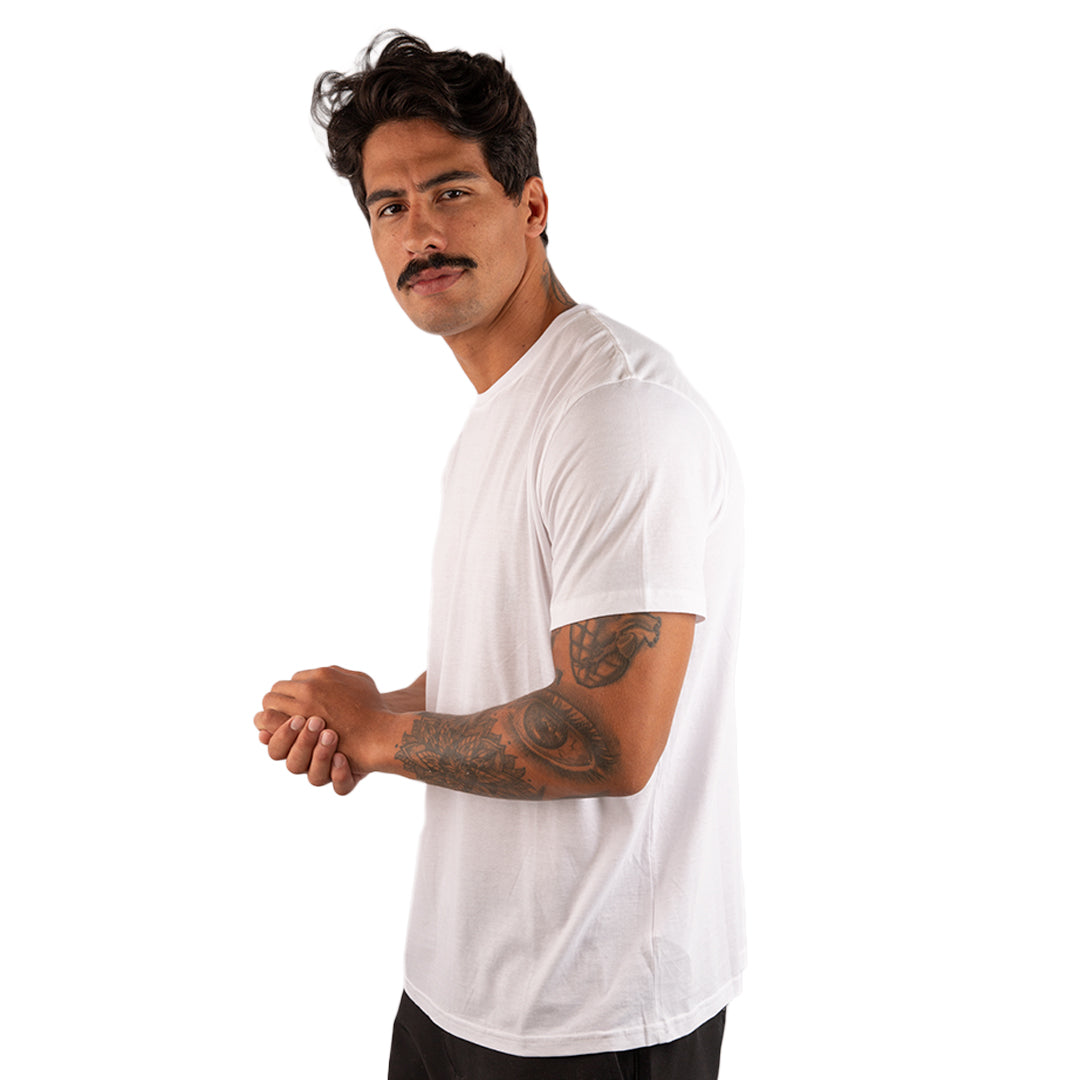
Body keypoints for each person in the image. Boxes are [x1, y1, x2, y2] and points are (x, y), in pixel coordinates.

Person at [254, 31, 746, 1079]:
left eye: (451, 191)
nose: (420, 232)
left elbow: (610, 734)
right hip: (461, 991)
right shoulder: (505, 410)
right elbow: (521, 671)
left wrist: (383, 734)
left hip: (595, 1017)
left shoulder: (613, 411)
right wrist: (371, 713)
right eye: (389, 207)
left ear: (532, 205)